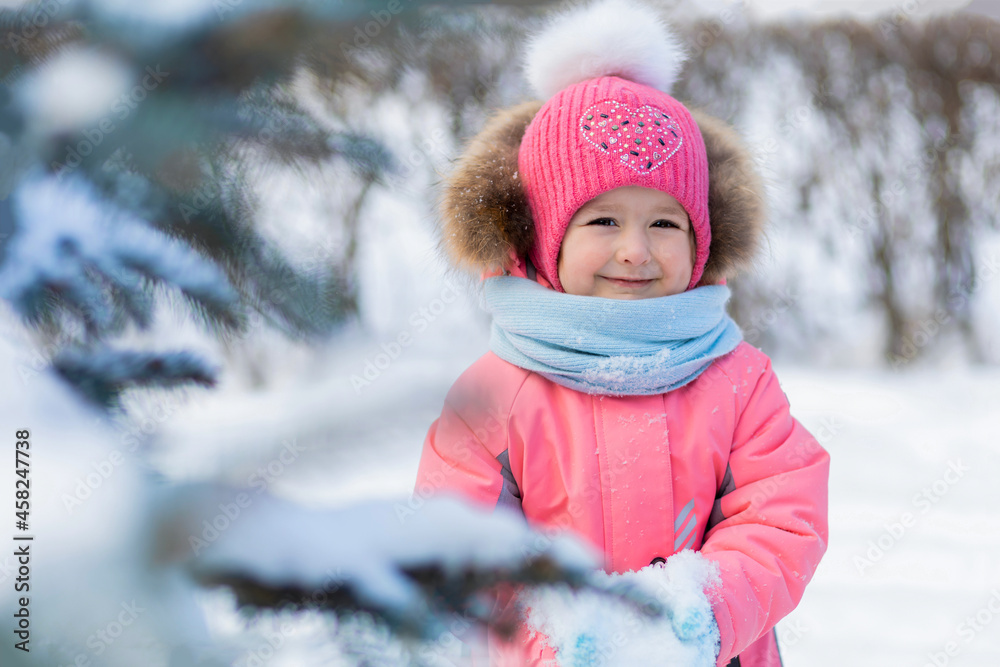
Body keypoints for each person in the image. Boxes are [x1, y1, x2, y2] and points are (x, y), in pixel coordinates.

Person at [413, 1, 830, 665]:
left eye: (664, 224)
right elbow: (460, 540)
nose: (635, 250)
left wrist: (703, 615)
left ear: (699, 240)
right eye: (602, 222)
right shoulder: (497, 389)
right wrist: (555, 631)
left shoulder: (738, 378)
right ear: (546, 237)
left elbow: (782, 516)